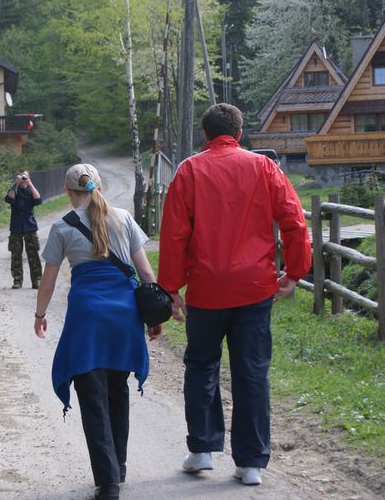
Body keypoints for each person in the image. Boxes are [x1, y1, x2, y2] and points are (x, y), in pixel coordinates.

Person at [157, 103, 311, 487]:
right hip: (254, 288)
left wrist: (171, 288)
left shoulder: (189, 170)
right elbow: (294, 221)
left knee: (201, 365)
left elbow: (173, 234)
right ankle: (251, 463)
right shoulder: (264, 167)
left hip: (206, 290)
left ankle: (202, 449)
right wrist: (294, 272)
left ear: (205, 134)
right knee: (251, 371)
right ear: (239, 133)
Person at [34, 163, 163, 500]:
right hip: (125, 317)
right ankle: (119, 466)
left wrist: (40, 314)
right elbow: (146, 273)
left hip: (87, 318)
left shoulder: (62, 227)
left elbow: (48, 281)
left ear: (68, 191)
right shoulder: (124, 218)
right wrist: (154, 315)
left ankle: (108, 482)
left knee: (92, 396)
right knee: (117, 389)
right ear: (100, 187)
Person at [5, 169, 43, 289]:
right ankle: (17, 280)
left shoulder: (31, 190)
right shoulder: (14, 190)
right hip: (16, 226)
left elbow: (38, 200)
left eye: (25, 177)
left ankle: (37, 280)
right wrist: (15, 184)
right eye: (20, 177)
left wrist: (30, 183)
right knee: (16, 255)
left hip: (29, 226)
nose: (23, 180)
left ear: (29, 178)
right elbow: (9, 199)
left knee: (33, 255)